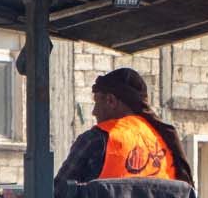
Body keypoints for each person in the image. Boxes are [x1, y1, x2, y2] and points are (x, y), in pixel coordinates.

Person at [55, 66, 195, 188]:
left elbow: (56, 196)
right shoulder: (166, 141)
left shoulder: (96, 139)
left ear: (111, 101)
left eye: (96, 102)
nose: (94, 112)